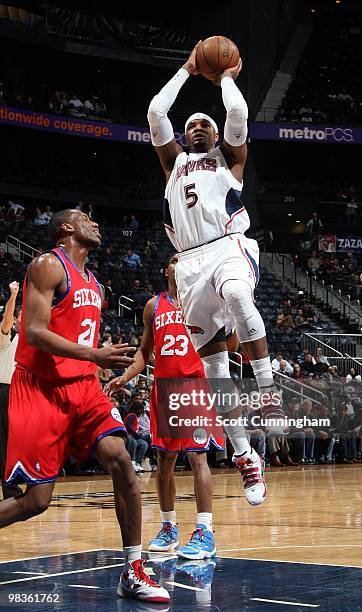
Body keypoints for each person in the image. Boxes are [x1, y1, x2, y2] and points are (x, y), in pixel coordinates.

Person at [0, 209, 169, 603]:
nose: (95, 222)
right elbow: (35, 332)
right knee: (36, 501)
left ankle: (133, 567)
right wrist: (94, 355)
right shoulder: (47, 265)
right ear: (66, 227)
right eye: (85, 218)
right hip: (40, 387)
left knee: (122, 460)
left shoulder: (95, 283)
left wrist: (95, 373)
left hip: (82, 386)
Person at [147, 42, 279, 506]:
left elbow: (239, 112)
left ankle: (267, 391)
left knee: (242, 298)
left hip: (228, 244)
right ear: (184, 138)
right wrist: (186, 69)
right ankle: (245, 456)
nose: (199, 127)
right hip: (189, 265)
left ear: (217, 135)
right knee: (216, 370)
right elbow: (155, 110)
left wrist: (224, 77)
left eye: (206, 123)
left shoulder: (231, 160)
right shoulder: (173, 164)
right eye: (193, 125)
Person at [105, 253, 224, 559]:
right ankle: (169, 526)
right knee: (165, 462)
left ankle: (205, 531)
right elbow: (145, 353)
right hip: (164, 390)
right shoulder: (153, 306)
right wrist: (125, 377)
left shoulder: (202, 301)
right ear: (166, 268)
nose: (178, 263)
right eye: (173, 259)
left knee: (198, 457)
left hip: (193, 386)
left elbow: (228, 344)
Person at [0, 281, 23, 500]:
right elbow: (6, 321)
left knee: (12, 443)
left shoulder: (30, 342)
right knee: (6, 444)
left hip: (19, 394)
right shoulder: (8, 337)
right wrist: (13, 295)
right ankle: (10, 489)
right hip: (3, 392)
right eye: (20, 316)